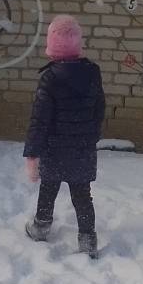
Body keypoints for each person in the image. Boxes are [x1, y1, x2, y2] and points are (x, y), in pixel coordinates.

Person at [23, 15, 106, 258]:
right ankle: (88, 238)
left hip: (54, 149)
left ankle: (41, 226)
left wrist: (32, 154)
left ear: (52, 46)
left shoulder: (50, 78)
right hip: (82, 149)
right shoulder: (92, 73)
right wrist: (91, 135)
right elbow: (99, 109)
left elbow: (39, 120)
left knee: (48, 188)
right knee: (82, 194)